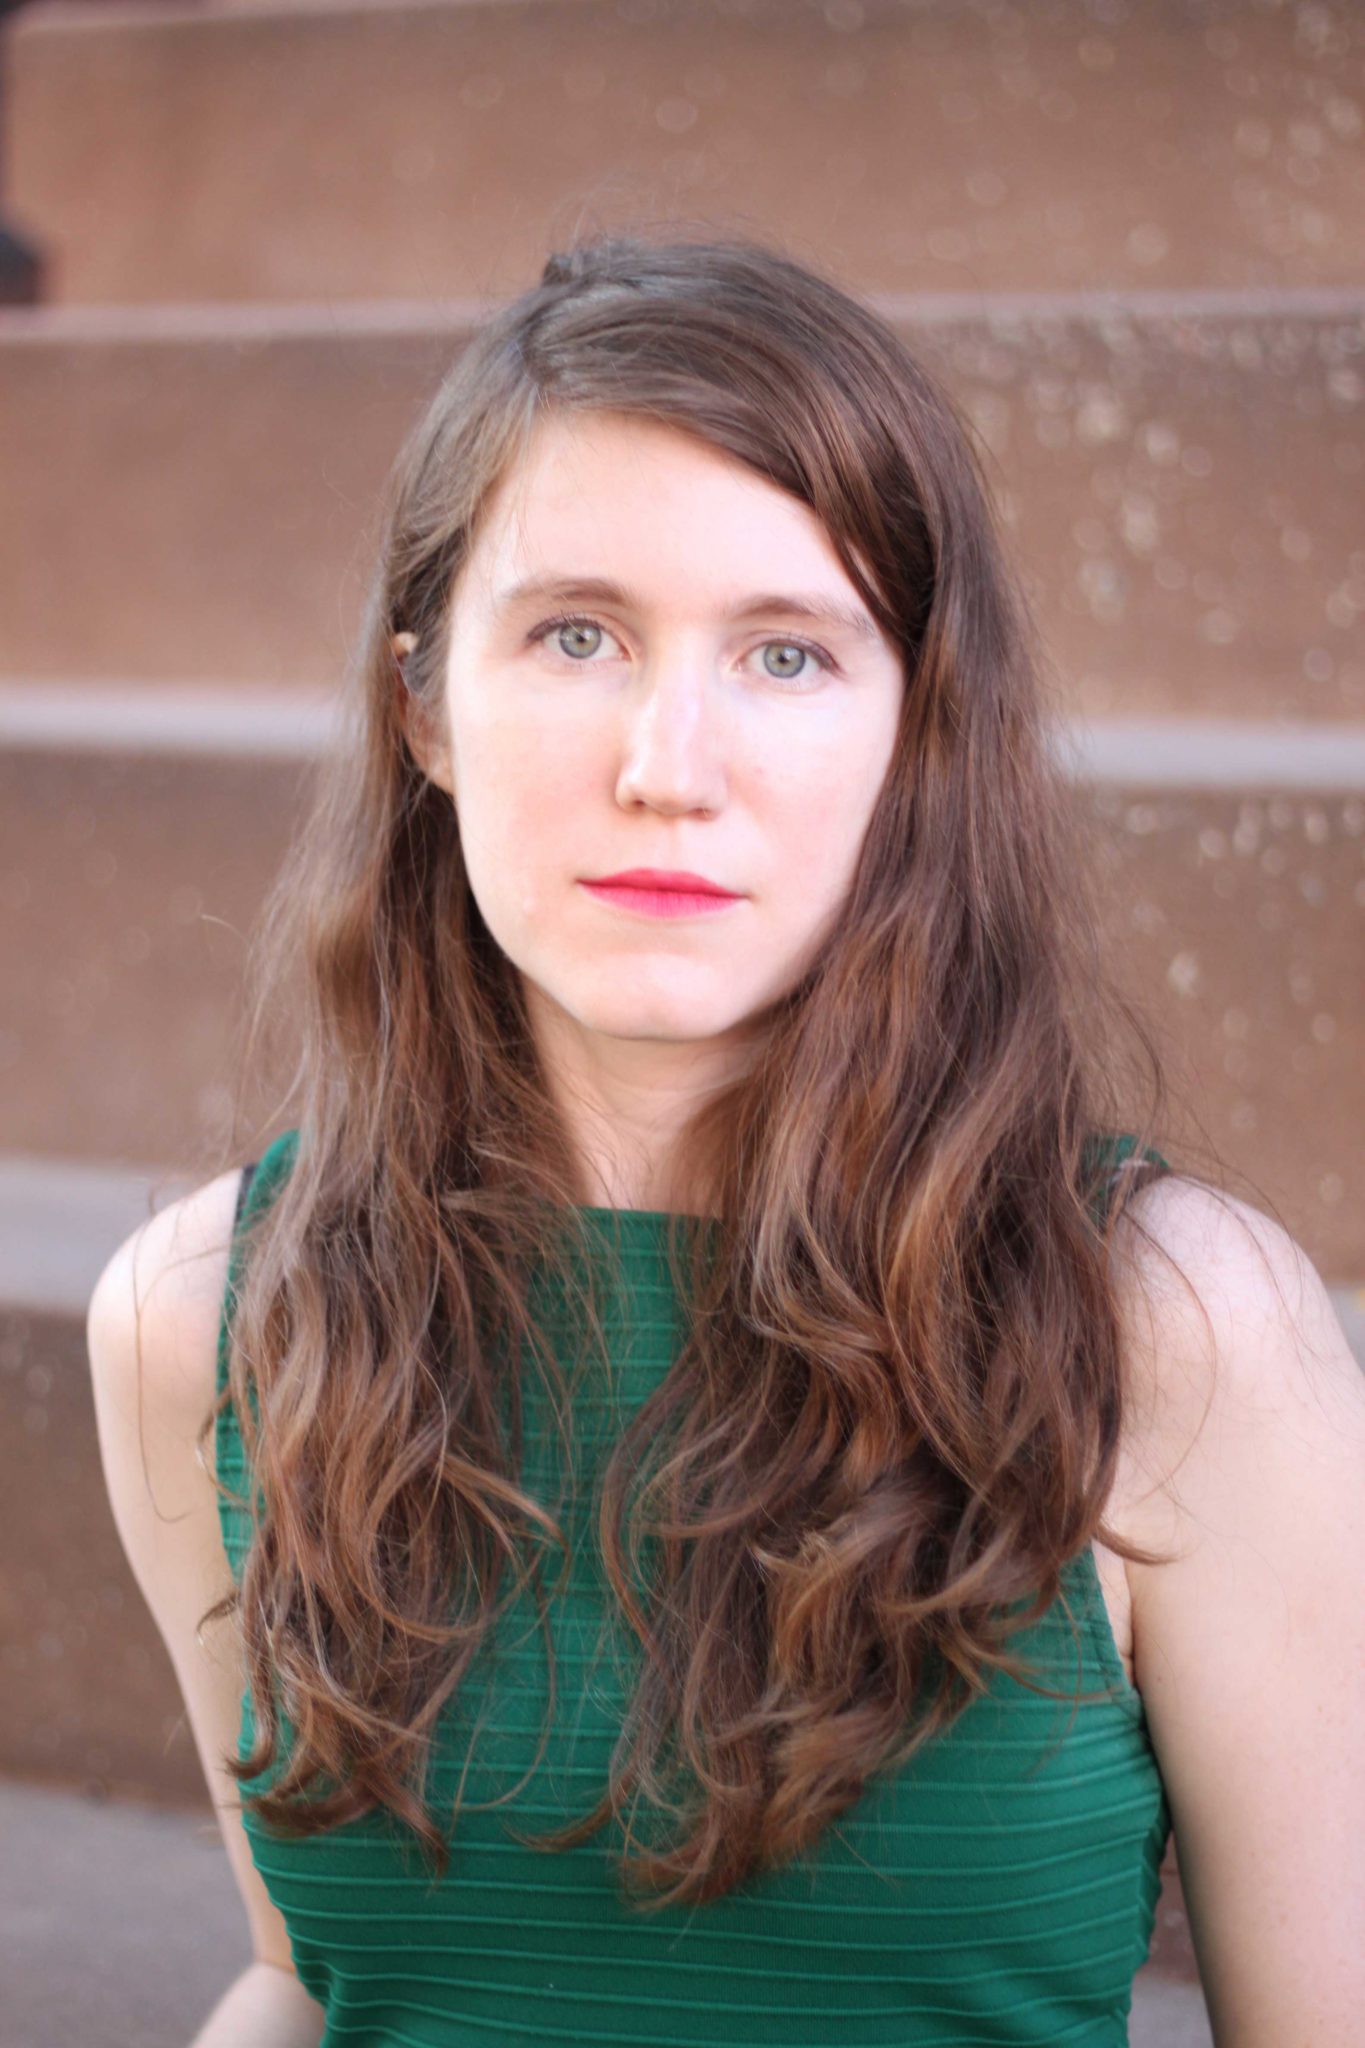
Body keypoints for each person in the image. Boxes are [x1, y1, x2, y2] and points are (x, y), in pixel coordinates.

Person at [86, 231, 1364, 2048]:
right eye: (577, 636)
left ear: (914, 729)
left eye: (784, 654)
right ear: (421, 706)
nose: (667, 764)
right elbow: (305, 1984)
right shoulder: (204, 1315)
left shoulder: (1170, 1325)